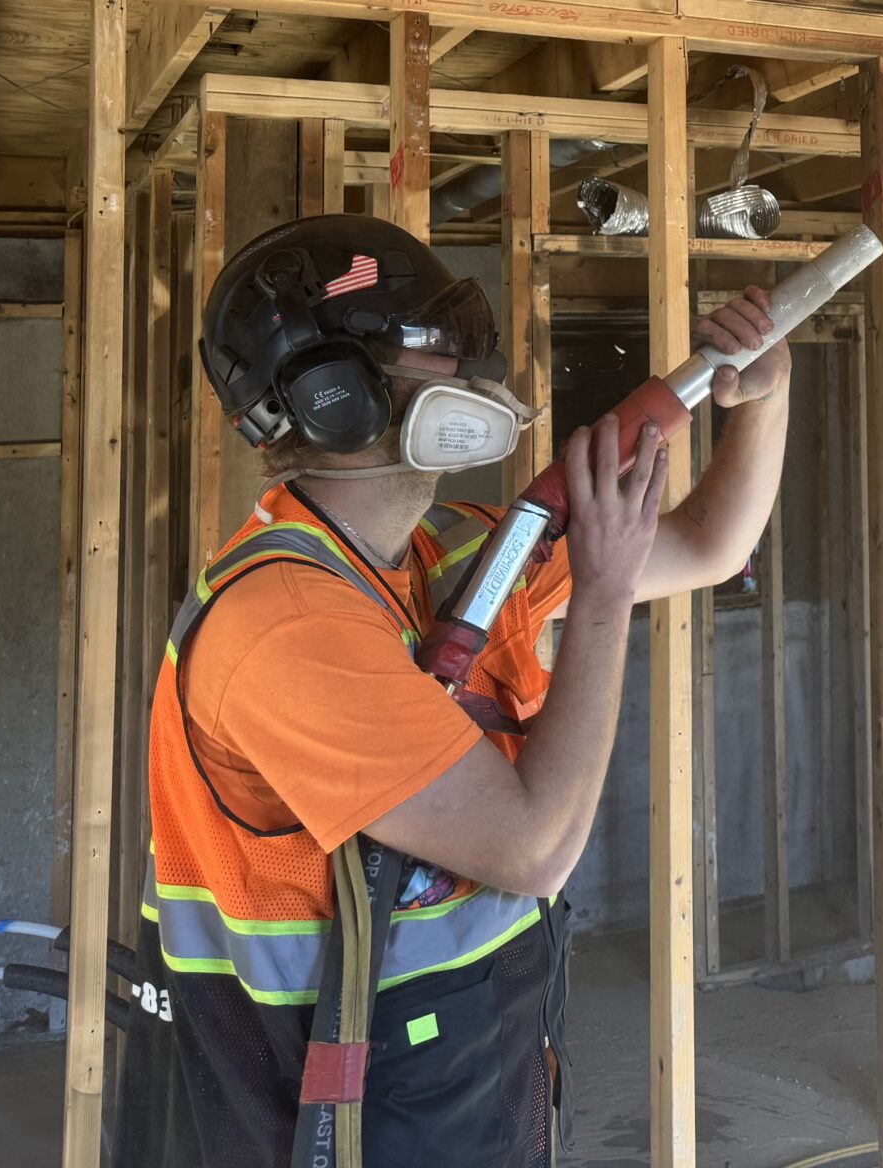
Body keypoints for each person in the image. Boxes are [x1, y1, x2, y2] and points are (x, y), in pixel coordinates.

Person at [134, 212, 789, 1167]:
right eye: (435, 349)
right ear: (336, 395)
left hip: (470, 1074)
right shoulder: (284, 626)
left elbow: (709, 546)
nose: (470, 373)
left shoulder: (453, 552)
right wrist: (602, 596)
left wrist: (762, 398)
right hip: (330, 1119)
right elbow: (533, 847)